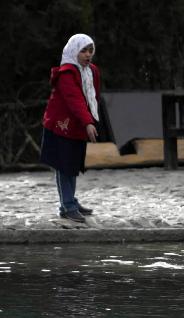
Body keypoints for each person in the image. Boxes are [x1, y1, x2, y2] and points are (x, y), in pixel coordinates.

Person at [40, 34, 101, 223]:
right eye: (83, 50)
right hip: (61, 126)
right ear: (74, 50)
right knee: (63, 165)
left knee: (72, 164)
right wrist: (88, 122)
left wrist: (89, 120)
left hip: (76, 126)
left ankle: (71, 200)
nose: (87, 54)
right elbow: (74, 100)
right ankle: (67, 206)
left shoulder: (90, 71)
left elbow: (92, 97)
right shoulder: (67, 72)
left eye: (90, 50)